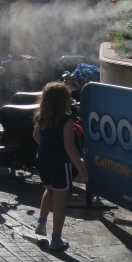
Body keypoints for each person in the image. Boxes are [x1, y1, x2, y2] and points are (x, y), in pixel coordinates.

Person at [32, 82, 88, 252]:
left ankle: (41, 222)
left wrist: (47, 147)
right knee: (60, 201)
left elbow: (36, 136)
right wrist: (82, 169)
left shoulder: (42, 117)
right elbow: (70, 148)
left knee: (49, 190)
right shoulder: (66, 120)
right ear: (64, 100)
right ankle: (56, 239)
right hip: (59, 163)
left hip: (42, 160)